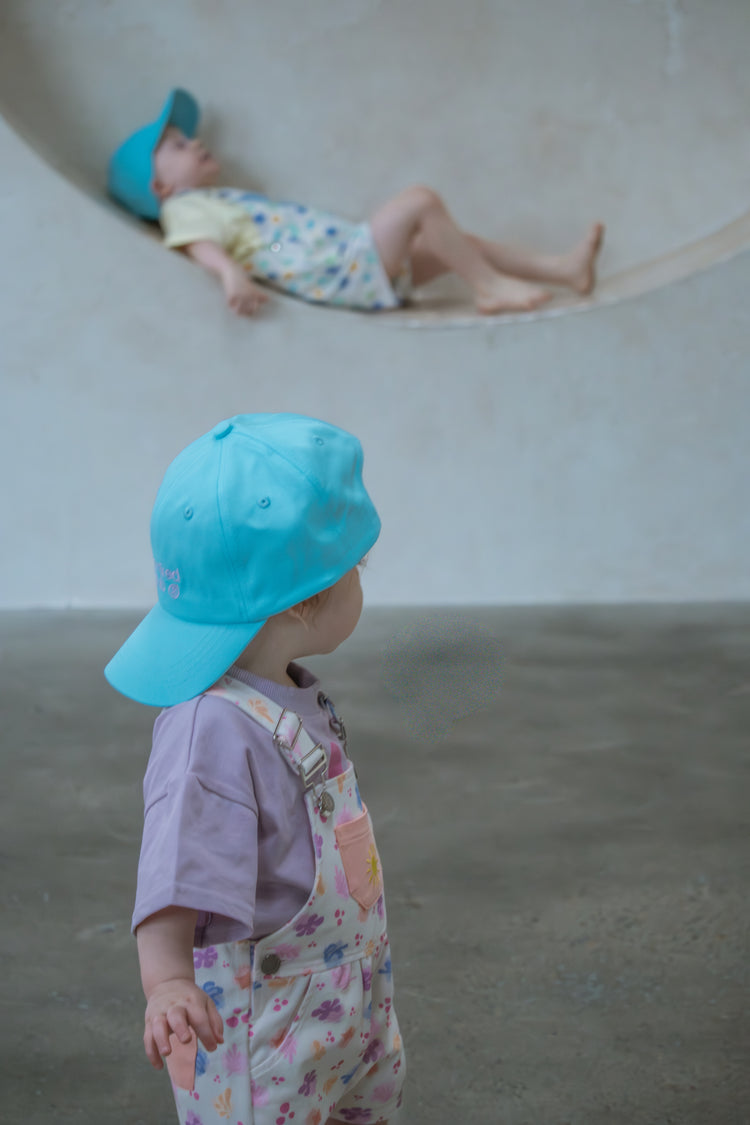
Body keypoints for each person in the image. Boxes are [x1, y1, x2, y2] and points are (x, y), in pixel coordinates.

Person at [104, 413, 405, 1125]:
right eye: (356, 569)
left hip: (345, 1005)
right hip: (266, 1031)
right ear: (306, 599)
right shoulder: (209, 728)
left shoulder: (287, 693)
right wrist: (171, 978)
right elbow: (176, 864)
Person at [108, 88, 605, 317]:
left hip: (341, 261)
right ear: (160, 188)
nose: (193, 144)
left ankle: (563, 270)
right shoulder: (184, 210)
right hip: (335, 267)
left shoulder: (212, 199)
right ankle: (490, 287)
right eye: (177, 146)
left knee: (458, 242)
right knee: (419, 202)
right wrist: (228, 273)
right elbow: (198, 244)